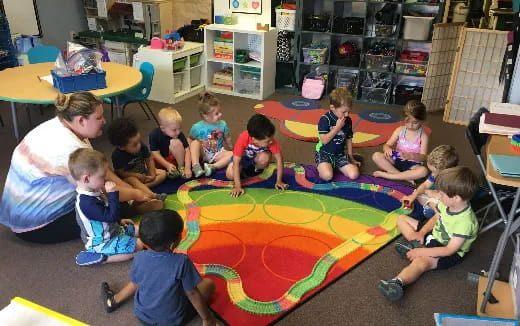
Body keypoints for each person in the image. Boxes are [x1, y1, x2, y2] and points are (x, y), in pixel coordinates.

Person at [0, 92, 160, 244]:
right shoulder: (70, 147)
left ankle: (130, 204)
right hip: (34, 225)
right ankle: (129, 211)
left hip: (21, 211)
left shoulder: (65, 125)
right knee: (103, 207)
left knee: (115, 190)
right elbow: (101, 188)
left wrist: (126, 188)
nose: (104, 121)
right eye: (99, 117)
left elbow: (101, 167)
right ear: (81, 120)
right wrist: (135, 194)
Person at [377, 166, 480, 301]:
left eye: (442, 194)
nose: (439, 196)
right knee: (402, 219)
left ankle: (396, 283)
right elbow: (436, 218)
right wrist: (422, 232)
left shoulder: (465, 223)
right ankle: (418, 245)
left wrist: (421, 253)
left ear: (456, 198)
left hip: (446, 251)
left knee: (420, 263)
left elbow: (449, 250)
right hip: (433, 234)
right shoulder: (447, 204)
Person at [100, 209, 217, 326]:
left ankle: (114, 301)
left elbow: (136, 282)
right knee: (208, 284)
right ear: (172, 244)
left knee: (144, 279)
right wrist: (207, 319)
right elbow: (192, 293)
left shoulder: (139, 256)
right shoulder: (182, 261)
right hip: (171, 321)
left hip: (142, 315)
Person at [69, 148, 144, 264]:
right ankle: (102, 258)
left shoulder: (93, 189)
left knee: (140, 229)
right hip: (103, 242)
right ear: (86, 178)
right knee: (139, 246)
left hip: (113, 229)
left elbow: (106, 210)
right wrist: (113, 194)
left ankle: (120, 240)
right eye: (102, 176)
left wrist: (120, 220)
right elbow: (110, 216)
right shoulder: (86, 203)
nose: (106, 179)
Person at [226, 114, 288, 197]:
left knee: (264, 158)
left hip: (256, 160)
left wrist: (279, 181)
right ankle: (244, 171)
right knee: (230, 175)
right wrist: (238, 186)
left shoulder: (270, 139)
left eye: (271, 139)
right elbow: (236, 163)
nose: (271, 142)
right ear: (254, 140)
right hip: (242, 161)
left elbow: (279, 159)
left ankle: (254, 170)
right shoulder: (243, 138)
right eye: (268, 141)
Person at [108, 118, 168, 201]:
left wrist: (152, 174)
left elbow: (149, 159)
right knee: (133, 180)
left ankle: (143, 188)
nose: (139, 145)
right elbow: (121, 172)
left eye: (139, 141)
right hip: (130, 178)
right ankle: (153, 195)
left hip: (143, 173)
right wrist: (137, 176)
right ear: (122, 147)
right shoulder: (117, 155)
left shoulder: (141, 146)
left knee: (163, 173)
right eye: (135, 144)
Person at [372, 100, 429, 185]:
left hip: (412, 164)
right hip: (396, 159)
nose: (410, 125)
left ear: (422, 121)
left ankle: (390, 175)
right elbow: (387, 145)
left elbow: (423, 157)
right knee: (376, 156)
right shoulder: (399, 130)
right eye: (407, 122)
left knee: (423, 171)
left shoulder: (423, 136)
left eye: (415, 122)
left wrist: (411, 156)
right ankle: (404, 176)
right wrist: (387, 148)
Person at [401, 145, 459, 219]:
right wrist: (413, 196)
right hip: (438, 193)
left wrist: (430, 193)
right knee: (417, 192)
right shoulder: (437, 173)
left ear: (446, 171)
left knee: (429, 210)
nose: (433, 174)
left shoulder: (453, 180)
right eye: (431, 171)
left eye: (435, 172)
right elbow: (425, 185)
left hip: (447, 200)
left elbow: (450, 198)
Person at [315, 88, 361, 181]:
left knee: (354, 174)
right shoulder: (325, 119)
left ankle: (335, 166)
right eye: (344, 112)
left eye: (349, 111)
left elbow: (348, 139)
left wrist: (351, 156)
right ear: (332, 108)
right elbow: (324, 141)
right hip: (324, 153)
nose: (347, 115)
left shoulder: (347, 120)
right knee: (327, 176)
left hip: (339, 155)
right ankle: (324, 166)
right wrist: (337, 127)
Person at [190, 92, 233, 178]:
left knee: (232, 155)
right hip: (203, 153)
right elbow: (189, 139)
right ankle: (196, 166)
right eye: (217, 113)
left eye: (220, 112)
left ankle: (212, 167)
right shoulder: (196, 127)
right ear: (206, 116)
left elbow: (227, 138)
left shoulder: (223, 124)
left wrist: (233, 148)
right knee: (194, 143)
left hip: (217, 153)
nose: (220, 115)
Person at [149, 107, 192, 179]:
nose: (178, 132)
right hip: (162, 161)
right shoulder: (154, 135)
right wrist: (167, 165)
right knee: (147, 161)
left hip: (176, 159)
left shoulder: (179, 134)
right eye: (174, 130)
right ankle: (169, 171)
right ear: (163, 128)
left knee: (175, 142)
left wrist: (187, 168)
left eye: (180, 128)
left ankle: (180, 168)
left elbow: (187, 150)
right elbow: (155, 153)